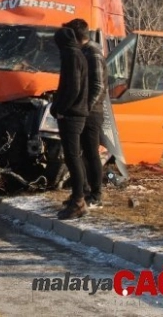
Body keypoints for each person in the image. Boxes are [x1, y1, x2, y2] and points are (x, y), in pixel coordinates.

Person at [63, 18, 108, 209]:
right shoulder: (80, 52)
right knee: (78, 153)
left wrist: (86, 107)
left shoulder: (93, 53)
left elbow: (98, 85)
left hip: (91, 112)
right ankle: (83, 192)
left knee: (91, 153)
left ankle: (96, 194)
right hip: (81, 111)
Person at [50, 27, 89, 220]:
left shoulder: (71, 57)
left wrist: (60, 108)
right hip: (77, 113)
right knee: (75, 157)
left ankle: (78, 201)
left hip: (72, 115)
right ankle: (78, 195)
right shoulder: (78, 54)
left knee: (72, 157)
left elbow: (72, 87)